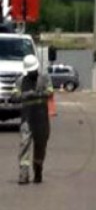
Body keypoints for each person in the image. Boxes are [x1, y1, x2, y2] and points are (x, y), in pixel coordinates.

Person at [12, 54, 52, 185]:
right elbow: (14, 97)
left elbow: (50, 92)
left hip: (41, 120)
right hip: (27, 120)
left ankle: (38, 170)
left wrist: (41, 92)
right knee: (24, 145)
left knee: (40, 146)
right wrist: (25, 95)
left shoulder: (44, 78)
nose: (32, 74)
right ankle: (23, 174)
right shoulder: (20, 81)